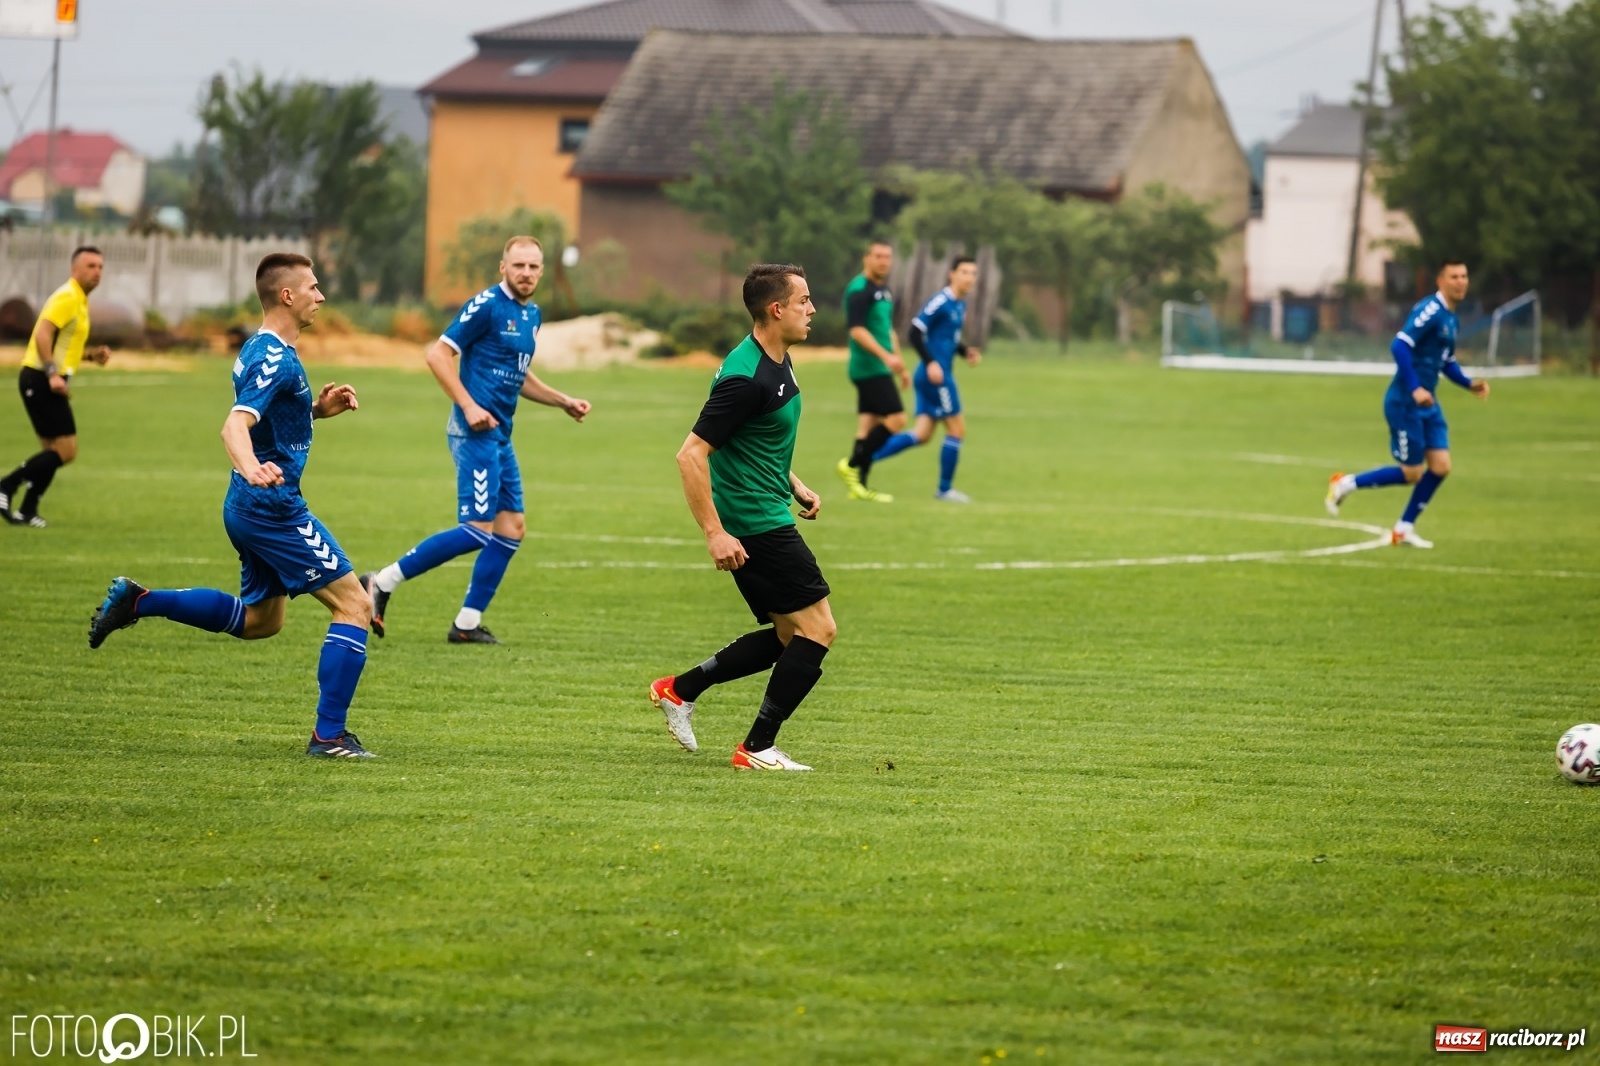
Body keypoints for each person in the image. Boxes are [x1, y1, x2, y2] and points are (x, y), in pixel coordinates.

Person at [87, 253, 379, 759]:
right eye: (312, 286)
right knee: (355, 605)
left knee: (263, 621)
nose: (321, 295)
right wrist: (250, 465)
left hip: (247, 507)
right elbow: (234, 425)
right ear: (287, 295)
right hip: (271, 507)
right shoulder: (275, 357)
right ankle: (328, 738)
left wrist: (314, 411)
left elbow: (266, 416)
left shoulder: (262, 347)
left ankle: (140, 600)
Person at [360, 236, 590, 645]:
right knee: (477, 529)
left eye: (534, 267)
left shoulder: (531, 314)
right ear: (503, 267)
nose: (526, 273)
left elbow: (519, 375)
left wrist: (562, 401)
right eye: (518, 265)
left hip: (500, 435)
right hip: (473, 434)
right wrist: (467, 405)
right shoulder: (485, 305)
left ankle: (466, 625)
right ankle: (381, 581)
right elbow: (437, 354)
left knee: (512, 528)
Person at [649, 264, 834, 771]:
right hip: (753, 520)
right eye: (803, 301)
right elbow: (691, 455)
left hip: (766, 503)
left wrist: (792, 481)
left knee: (786, 635)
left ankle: (678, 690)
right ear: (777, 310)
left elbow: (753, 438)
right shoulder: (745, 376)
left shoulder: (778, 358)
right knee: (818, 629)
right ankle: (756, 748)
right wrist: (714, 532)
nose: (812, 309)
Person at [1325, 260, 1489, 548]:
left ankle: (1403, 528)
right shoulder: (1431, 310)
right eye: (1454, 276)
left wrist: (1467, 383)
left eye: (1464, 276)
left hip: (1428, 403)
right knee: (1413, 473)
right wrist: (1414, 388)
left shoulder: (1451, 318)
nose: (1461, 282)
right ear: (1440, 281)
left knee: (1441, 466)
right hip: (1405, 402)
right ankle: (1345, 484)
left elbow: (1446, 361)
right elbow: (1399, 345)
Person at [0, 246, 112, 527]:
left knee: (52, 451)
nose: (97, 272)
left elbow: (64, 345)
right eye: (90, 266)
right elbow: (42, 333)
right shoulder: (67, 296)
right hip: (40, 378)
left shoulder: (80, 301)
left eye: (100, 266)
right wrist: (52, 374)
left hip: (45, 379)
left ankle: (27, 509)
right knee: (66, 450)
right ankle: (6, 485)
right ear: (75, 269)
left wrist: (90, 356)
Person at [867, 257, 983, 502]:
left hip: (938, 374)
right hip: (936, 377)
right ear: (951, 274)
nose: (969, 277)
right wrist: (931, 362)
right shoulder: (941, 301)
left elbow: (947, 339)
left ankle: (865, 456)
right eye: (964, 272)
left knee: (922, 434)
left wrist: (964, 352)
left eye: (973, 273)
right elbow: (914, 331)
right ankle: (944, 489)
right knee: (957, 430)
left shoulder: (960, 303)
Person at [834, 239, 909, 503]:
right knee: (897, 419)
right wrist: (886, 358)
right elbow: (857, 330)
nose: (883, 261)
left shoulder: (884, 290)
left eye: (887, 257)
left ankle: (860, 488)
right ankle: (853, 464)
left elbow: (887, 330)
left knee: (867, 426)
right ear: (866, 258)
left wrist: (899, 363)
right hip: (868, 367)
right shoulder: (859, 289)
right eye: (878, 256)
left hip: (882, 366)